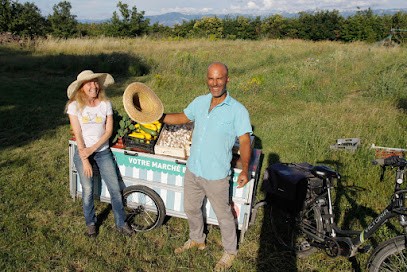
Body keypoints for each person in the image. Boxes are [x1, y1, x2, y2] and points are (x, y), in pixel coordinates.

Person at [163, 62, 252, 271]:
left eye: (219, 78)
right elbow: (183, 117)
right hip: (194, 169)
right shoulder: (200, 102)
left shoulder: (237, 110)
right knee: (191, 208)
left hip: (216, 175)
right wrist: (159, 117)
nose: (215, 83)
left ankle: (230, 251)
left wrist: (246, 169)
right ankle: (197, 239)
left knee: (224, 216)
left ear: (227, 80)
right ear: (207, 80)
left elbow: (245, 141)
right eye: (211, 79)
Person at [66, 70, 133, 237]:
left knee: (115, 189)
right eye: (89, 83)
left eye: (95, 82)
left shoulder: (105, 104)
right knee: (87, 190)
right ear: (81, 87)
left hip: (102, 152)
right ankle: (91, 223)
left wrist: (92, 149)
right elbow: (78, 134)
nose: (93, 86)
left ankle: (121, 223)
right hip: (83, 153)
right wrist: (85, 158)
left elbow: (108, 132)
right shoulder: (74, 106)